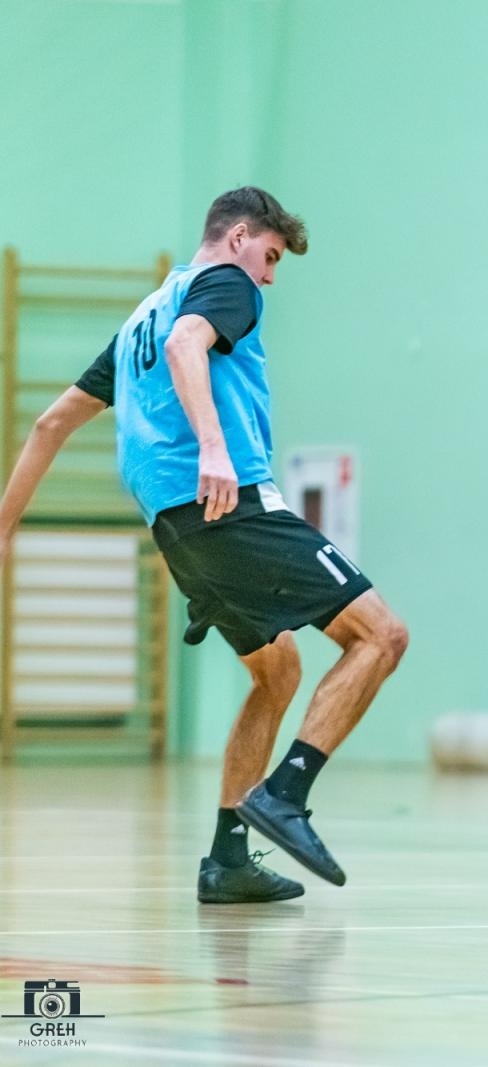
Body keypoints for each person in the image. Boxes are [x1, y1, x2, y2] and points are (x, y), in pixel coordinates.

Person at [0, 187, 408, 904]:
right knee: (381, 635)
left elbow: (50, 424)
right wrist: (215, 448)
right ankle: (286, 794)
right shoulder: (226, 286)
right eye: (271, 257)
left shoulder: (137, 325)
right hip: (231, 506)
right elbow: (193, 343)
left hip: (177, 533)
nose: (270, 276)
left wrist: (4, 525)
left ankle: (227, 858)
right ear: (240, 236)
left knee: (276, 671)